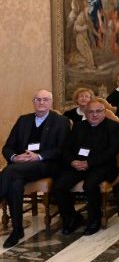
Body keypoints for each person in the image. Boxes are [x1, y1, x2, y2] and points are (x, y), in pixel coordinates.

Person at [0, 90, 70, 248]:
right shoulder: (23, 120)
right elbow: (7, 147)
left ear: (51, 103)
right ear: (33, 102)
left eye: (45, 100)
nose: (41, 102)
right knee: (14, 184)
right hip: (21, 166)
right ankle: (17, 230)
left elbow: (62, 150)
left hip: (47, 164)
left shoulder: (61, 121)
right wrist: (14, 158)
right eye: (38, 99)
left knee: (9, 171)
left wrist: (38, 156)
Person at [52, 99, 119, 236]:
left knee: (90, 185)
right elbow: (66, 148)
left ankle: (94, 219)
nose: (94, 115)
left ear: (104, 112)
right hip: (77, 165)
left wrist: (89, 163)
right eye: (90, 112)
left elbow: (112, 151)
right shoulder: (78, 126)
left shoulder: (114, 126)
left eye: (98, 111)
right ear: (85, 112)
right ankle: (72, 217)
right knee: (59, 186)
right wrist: (72, 161)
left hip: (102, 166)